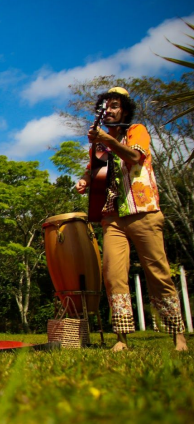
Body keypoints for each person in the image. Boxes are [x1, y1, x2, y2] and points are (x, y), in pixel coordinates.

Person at [76, 87, 188, 352]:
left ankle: (178, 336)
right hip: (112, 217)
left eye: (115, 106)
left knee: (158, 274)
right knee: (113, 275)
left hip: (144, 212)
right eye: (106, 107)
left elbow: (135, 156)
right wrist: (85, 179)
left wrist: (108, 139)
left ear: (124, 110)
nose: (109, 111)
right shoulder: (100, 145)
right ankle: (121, 339)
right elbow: (94, 169)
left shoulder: (136, 130)